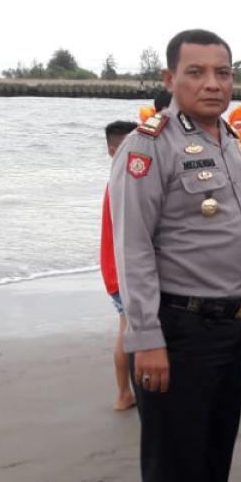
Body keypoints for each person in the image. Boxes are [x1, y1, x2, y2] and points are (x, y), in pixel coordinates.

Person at [110, 29, 241, 482]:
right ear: (169, 80)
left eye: (222, 72)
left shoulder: (230, 140)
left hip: (227, 322)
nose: (212, 83)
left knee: (211, 440)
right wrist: (145, 339)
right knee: (174, 448)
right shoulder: (145, 148)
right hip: (177, 327)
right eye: (196, 72)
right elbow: (132, 249)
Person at [100, 120, 139, 412]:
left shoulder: (126, 178)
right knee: (129, 330)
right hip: (122, 271)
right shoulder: (122, 182)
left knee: (127, 328)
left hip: (116, 268)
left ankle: (125, 392)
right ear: (113, 150)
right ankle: (124, 393)